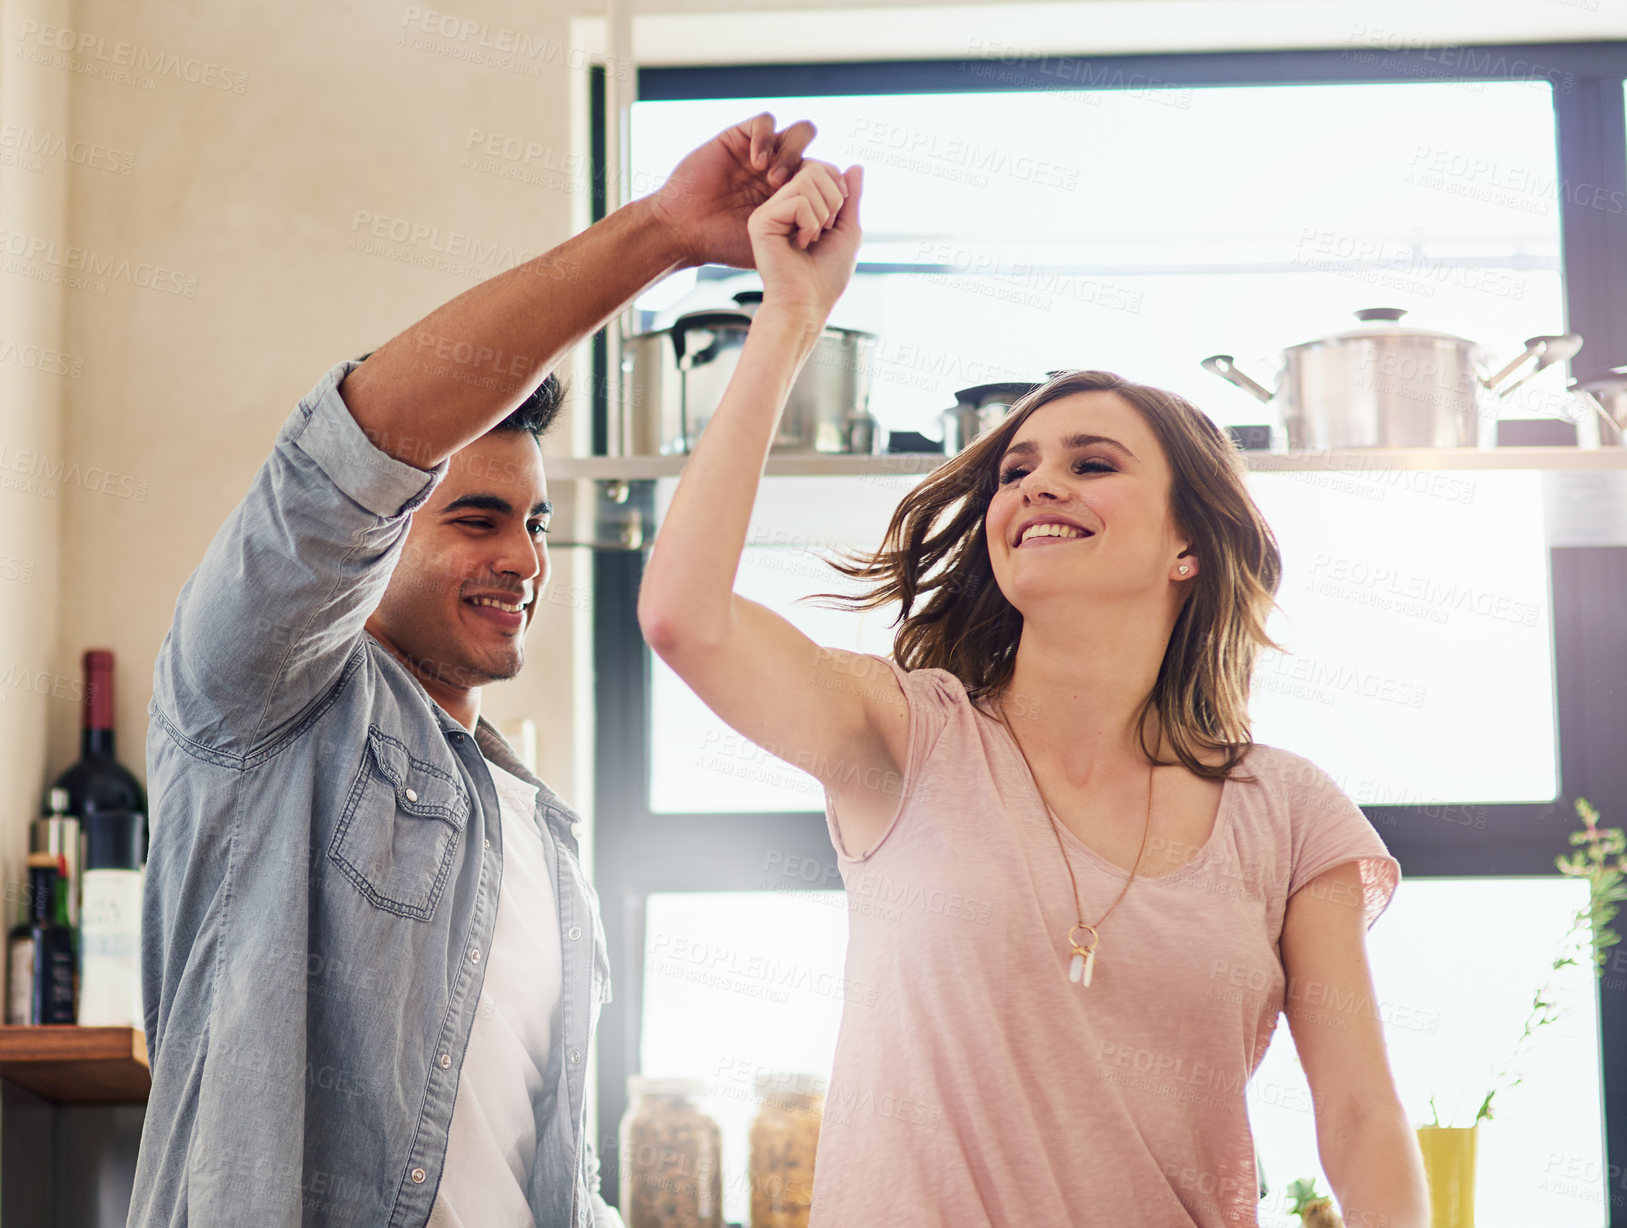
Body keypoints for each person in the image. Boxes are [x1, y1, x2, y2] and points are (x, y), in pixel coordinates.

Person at [637, 165, 1432, 1224]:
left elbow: (1363, 1120)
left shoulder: (1290, 815)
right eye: (1014, 471)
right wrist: (790, 319)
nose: (1036, 485)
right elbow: (685, 617)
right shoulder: (907, 738)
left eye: (1091, 463)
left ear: (1190, 543)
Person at [131, 113, 817, 1228]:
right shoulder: (258, 702)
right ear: (385, 531)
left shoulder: (540, 834)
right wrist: (659, 235)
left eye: (537, 521)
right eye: (477, 518)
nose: (526, 557)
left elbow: (514, 1171)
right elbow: (344, 466)